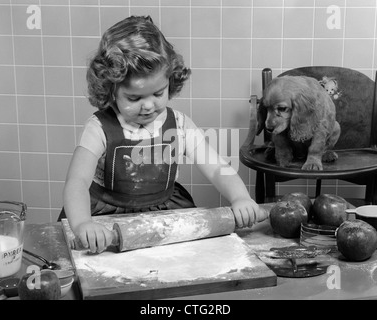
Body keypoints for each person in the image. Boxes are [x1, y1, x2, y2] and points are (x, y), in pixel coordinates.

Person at [60, 15, 267, 253]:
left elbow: (217, 166)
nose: (148, 106)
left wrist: (240, 197)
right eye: (134, 98)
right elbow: (77, 181)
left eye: (158, 93)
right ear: (111, 89)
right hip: (106, 216)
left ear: (170, 80)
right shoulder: (99, 128)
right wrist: (83, 223)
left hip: (165, 212)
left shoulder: (178, 124)